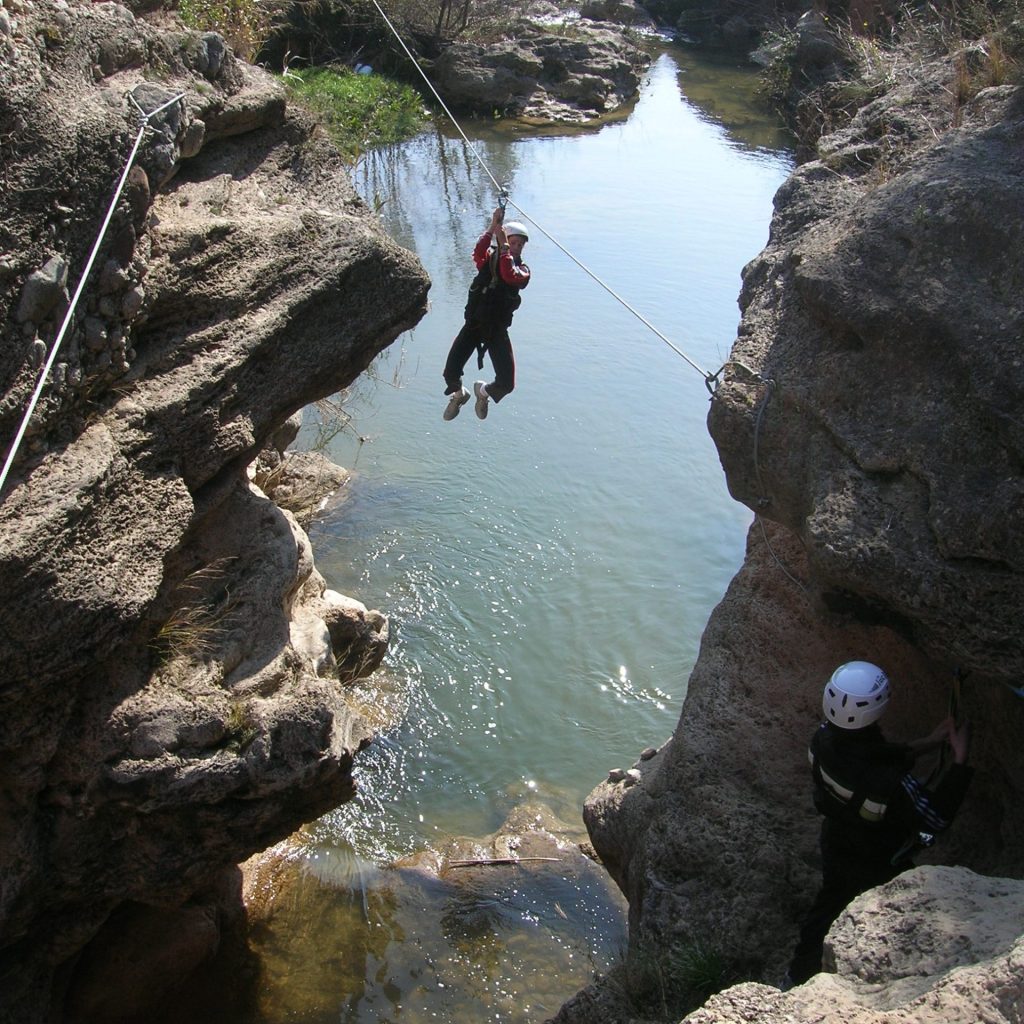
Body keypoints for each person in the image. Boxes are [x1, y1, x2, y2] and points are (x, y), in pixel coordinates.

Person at [785, 660, 972, 986]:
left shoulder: (823, 739)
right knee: (904, 912)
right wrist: (959, 761)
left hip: (837, 840)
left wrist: (928, 742)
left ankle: (797, 976)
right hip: (879, 859)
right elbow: (933, 821)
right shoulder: (892, 784)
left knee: (827, 906)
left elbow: (868, 755)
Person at [442, 205, 531, 422]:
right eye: (514, 242)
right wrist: (493, 227)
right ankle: (459, 394)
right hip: (474, 325)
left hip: (496, 331)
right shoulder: (488, 260)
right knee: (450, 372)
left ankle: (483, 393)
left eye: (520, 244)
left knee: (507, 383)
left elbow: (510, 276)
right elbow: (478, 252)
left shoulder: (523, 271)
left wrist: (505, 249)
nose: (517, 247)